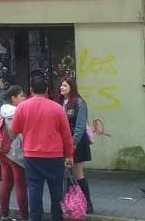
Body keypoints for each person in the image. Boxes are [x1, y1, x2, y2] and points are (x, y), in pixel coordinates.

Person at [10, 75, 75, 221]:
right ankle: (57, 217)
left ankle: (35, 217)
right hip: (55, 156)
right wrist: (69, 155)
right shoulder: (57, 108)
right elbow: (66, 135)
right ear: (46, 90)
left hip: (31, 156)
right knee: (56, 190)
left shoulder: (22, 107)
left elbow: (14, 131)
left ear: (31, 90)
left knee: (34, 189)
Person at [58, 77, 93, 213]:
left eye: (64, 86)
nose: (61, 88)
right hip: (65, 142)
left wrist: (72, 144)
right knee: (67, 173)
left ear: (71, 87)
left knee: (78, 173)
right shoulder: (60, 102)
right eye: (61, 85)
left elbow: (80, 126)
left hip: (77, 143)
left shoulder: (79, 103)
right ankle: (70, 203)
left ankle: (88, 203)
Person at [0, 85, 28, 221]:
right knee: (20, 186)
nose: (23, 98)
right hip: (15, 153)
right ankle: (24, 217)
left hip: (2, 151)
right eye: (21, 96)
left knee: (6, 183)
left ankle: (4, 215)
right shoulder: (19, 112)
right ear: (13, 98)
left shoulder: (0, 112)